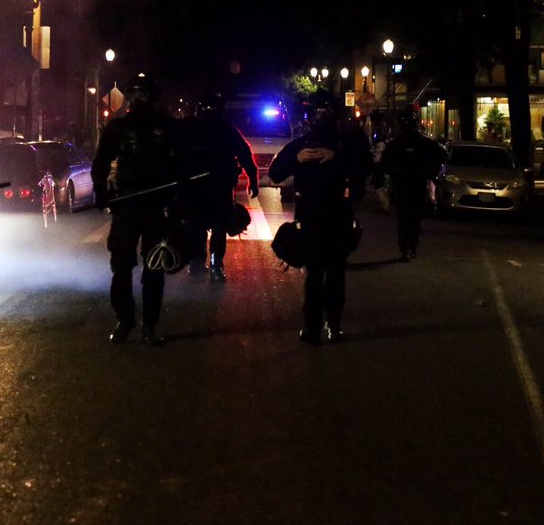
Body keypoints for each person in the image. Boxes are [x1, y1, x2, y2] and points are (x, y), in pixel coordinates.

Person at [268, 91, 372, 345]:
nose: (322, 118)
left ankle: (333, 325)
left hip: (338, 217)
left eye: (326, 113)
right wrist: (297, 158)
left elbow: (367, 167)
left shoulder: (348, 143)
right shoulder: (301, 145)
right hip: (311, 220)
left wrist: (336, 157)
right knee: (314, 276)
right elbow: (276, 173)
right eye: (318, 114)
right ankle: (312, 327)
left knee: (334, 275)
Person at [91, 73, 180, 345]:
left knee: (154, 267)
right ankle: (124, 320)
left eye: (145, 94)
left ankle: (149, 326)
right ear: (129, 98)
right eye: (136, 94)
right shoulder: (117, 129)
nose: (140, 99)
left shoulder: (167, 128)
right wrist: (102, 194)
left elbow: (181, 165)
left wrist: (175, 199)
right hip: (126, 205)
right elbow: (101, 164)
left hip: (155, 207)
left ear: (153, 98)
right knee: (121, 266)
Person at [180, 90, 260, 282]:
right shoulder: (200, 130)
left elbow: (245, 155)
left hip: (215, 187)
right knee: (207, 225)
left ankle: (209, 263)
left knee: (211, 225)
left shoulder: (223, 131)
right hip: (203, 187)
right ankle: (205, 262)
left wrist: (253, 178)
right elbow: (175, 155)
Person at [379, 110, 446, 261]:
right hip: (407, 185)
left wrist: (431, 172)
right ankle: (408, 248)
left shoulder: (416, 143)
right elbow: (385, 163)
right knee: (410, 218)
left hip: (411, 184)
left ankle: (408, 247)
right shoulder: (402, 143)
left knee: (410, 218)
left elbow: (441, 156)